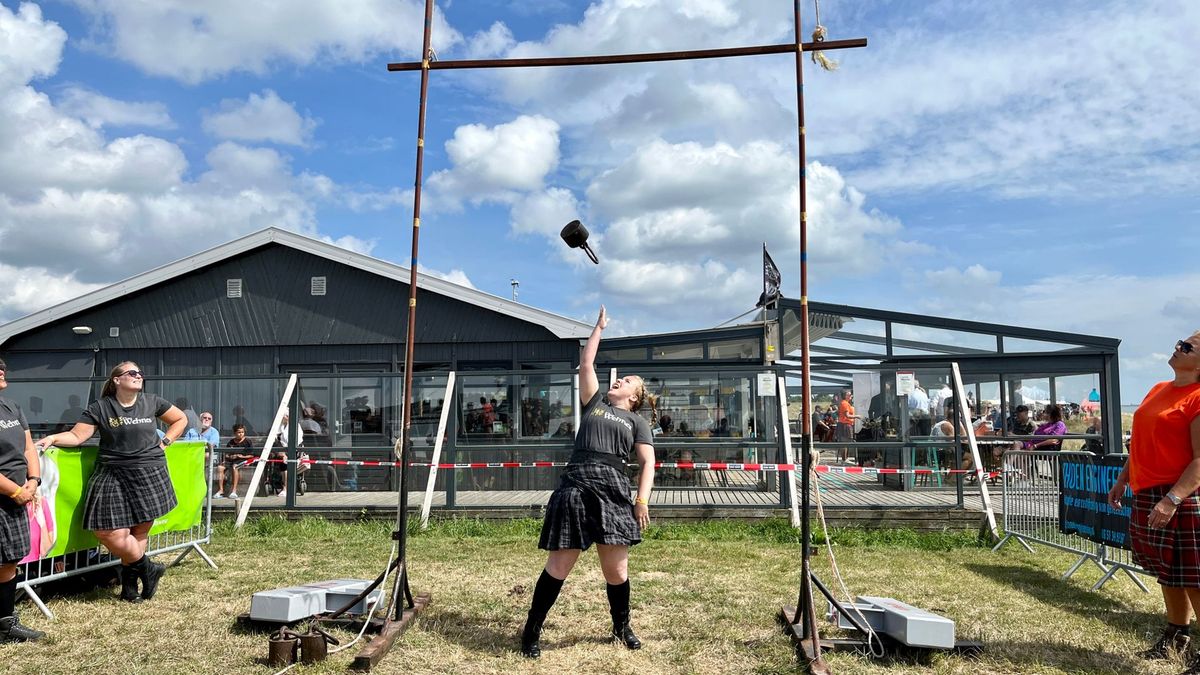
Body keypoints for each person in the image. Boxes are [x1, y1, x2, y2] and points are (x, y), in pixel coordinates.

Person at [519, 305, 656, 659]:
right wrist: (598, 328)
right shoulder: (594, 403)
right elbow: (586, 364)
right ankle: (531, 630)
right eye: (619, 378)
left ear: (635, 397)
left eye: (626, 381)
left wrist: (641, 501)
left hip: (613, 489)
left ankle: (621, 626)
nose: (618, 381)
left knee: (617, 570)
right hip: (577, 483)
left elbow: (647, 462)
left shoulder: (637, 422)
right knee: (559, 566)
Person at [34, 361, 187, 604]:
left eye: (140, 373)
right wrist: (52, 438)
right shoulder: (101, 407)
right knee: (108, 532)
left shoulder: (152, 401)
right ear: (117, 379)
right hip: (112, 472)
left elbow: (180, 420)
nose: (139, 376)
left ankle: (130, 588)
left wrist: (166, 441)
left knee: (139, 529)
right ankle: (148, 567)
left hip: (149, 471)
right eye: (132, 373)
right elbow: (76, 436)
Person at [1108, 333, 1200, 669]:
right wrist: (1122, 479)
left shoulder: (1198, 398)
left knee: (1194, 577)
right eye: (1180, 342)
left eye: (1187, 348)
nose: (1178, 349)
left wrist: (1173, 498)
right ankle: (1176, 637)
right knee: (1169, 571)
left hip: (1184, 495)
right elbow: (1139, 446)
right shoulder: (1158, 389)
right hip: (1150, 492)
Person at [0, 357, 46, 642]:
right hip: (8, 494)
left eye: (2, 366)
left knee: (9, 560)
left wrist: (33, 481)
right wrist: (16, 491)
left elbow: (29, 446)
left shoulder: (11, 406)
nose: (1, 370)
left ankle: (5, 624)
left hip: (16, 494)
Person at [220, 424, 255, 499]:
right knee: (220, 468)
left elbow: (252, 455)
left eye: (242, 432)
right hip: (231, 460)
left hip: (243, 460)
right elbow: (226, 454)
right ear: (235, 433)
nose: (241, 434)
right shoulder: (231, 442)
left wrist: (241, 456)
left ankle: (234, 490)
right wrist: (230, 456)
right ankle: (220, 490)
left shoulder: (248, 442)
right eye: (239, 432)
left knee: (235, 467)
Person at [835, 390, 862, 464]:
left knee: (846, 442)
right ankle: (844, 459)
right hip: (845, 425)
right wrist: (857, 416)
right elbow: (847, 415)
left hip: (847, 424)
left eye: (850, 394)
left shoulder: (847, 403)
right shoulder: (844, 403)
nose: (850, 395)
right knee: (845, 442)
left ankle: (845, 459)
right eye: (848, 394)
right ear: (845, 396)